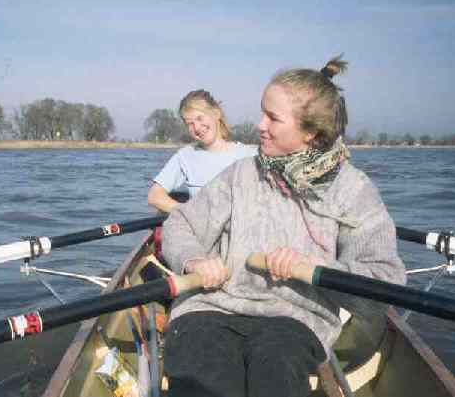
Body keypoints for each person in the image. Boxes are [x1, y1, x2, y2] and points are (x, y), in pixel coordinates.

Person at [161, 56, 407, 397]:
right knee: (203, 379)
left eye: (273, 117)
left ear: (311, 132)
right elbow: (179, 225)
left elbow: (385, 281)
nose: (259, 125)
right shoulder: (241, 175)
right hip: (211, 307)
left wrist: (312, 268)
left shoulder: (354, 190)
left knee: (275, 375)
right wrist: (193, 260)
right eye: (262, 113)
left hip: (295, 320)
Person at [148, 89, 257, 213]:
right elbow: (154, 196)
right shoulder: (185, 156)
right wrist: (190, 214)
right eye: (190, 124)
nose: (197, 128)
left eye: (200, 118)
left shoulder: (251, 154)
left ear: (216, 113)